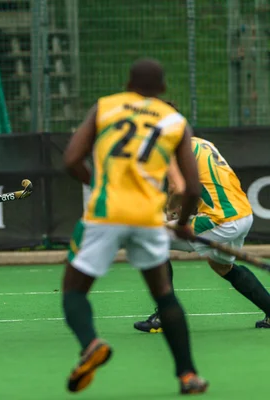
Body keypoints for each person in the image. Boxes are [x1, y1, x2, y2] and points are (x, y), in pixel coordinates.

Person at [61, 59, 208, 395]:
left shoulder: (106, 107)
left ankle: (90, 344)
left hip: (104, 214)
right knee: (164, 295)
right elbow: (192, 188)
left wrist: (98, 185)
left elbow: (71, 160)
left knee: (73, 289)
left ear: (127, 83)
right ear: (163, 89)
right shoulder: (175, 122)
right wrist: (183, 224)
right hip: (147, 218)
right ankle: (188, 375)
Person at [134, 124, 270, 332]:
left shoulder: (172, 150)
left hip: (219, 219)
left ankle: (165, 315)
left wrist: (171, 212)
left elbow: (176, 188)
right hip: (243, 215)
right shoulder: (203, 144)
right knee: (222, 265)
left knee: (151, 239)